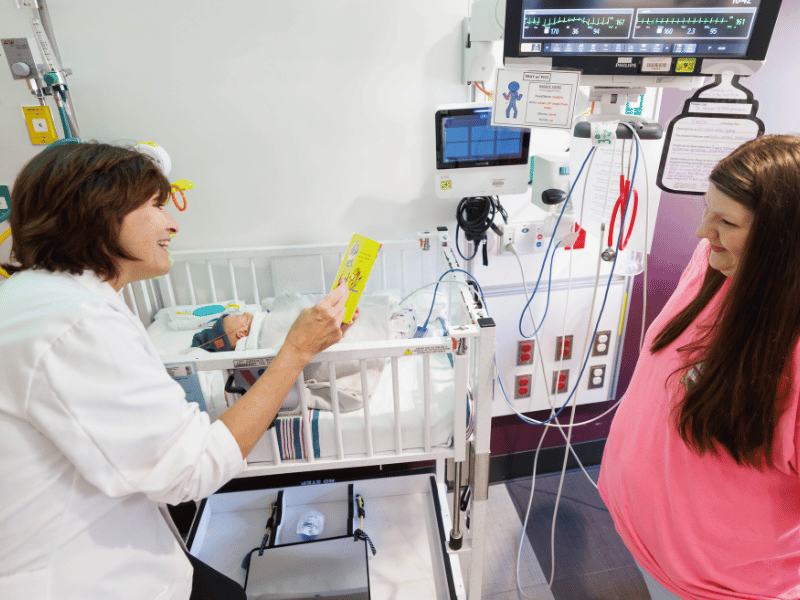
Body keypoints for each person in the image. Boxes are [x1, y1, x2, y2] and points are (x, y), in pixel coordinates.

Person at [0, 142, 354, 599]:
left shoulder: (41, 298)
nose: (172, 223)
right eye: (155, 205)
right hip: (82, 578)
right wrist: (296, 352)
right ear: (100, 212)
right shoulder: (76, 322)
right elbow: (191, 468)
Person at [599, 134, 800, 600]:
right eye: (706, 209)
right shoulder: (715, 263)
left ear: (784, 246)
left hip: (721, 586)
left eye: (726, 220)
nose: (702, 231)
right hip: (647, 544)